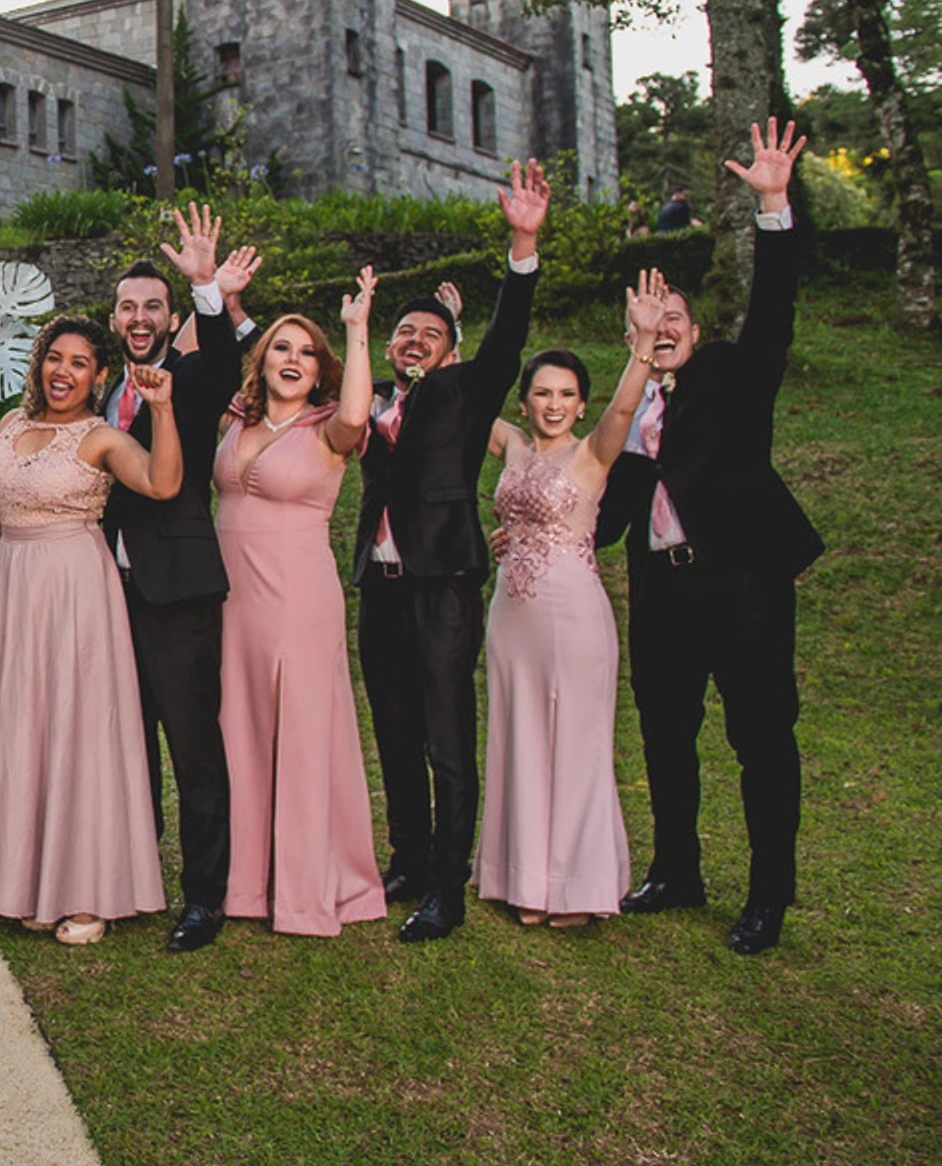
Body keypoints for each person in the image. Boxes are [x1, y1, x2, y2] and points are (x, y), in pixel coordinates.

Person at [602, 120, 822, 956]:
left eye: (675, 320)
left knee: (761, 736)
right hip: (660, 591)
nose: (664, 331)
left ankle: (769, 896)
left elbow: (773, 316)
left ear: (694, 330)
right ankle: (678, 868)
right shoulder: (629, 412)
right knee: (664, 732)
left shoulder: (732, 374)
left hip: (741, 586)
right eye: (649, 323)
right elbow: (610, 515)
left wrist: (772, 205)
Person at [353, 161, 549, 943]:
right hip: (380, 584)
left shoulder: (468, 393)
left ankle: (447, 881)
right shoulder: (368, 401)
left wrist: (522, 248)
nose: (416, 341)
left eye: (431, 334)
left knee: (444, 732)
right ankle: (403, 856)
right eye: (406, 331)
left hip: (443, 584)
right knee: (393, 729)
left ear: (449, 349)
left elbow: (508, 339)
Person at [0, 316, 181, 944]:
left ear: (101, 375)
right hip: (16, 588)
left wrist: (163, 410)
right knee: (23, 726)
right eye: (54, 358)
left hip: (76, 590)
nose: (63, 372)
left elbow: (163, 483)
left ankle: (86, 890)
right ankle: (24, 882)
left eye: (79, 363)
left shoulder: (102, 439)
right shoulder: (11, 425)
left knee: (77, 727)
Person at [474, 286, 664, 929]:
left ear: (580, 403)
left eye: (565, 394)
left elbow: (626, 406)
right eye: (541, 393)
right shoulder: (511, 446)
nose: (553, 405)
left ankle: (577, 886)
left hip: (574, 616)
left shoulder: (593, 452)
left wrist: (642, 343)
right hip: (511, 616)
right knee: (519, 738)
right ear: (523, 401)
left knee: (577, 744)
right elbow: (466, 395)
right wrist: (442, 329)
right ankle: (523, 878)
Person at [99, 204, 261, 953]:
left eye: (153, 307)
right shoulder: (98, 392)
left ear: (170, 318)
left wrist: (206, 288)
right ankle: (132, 878)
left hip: (179, 592)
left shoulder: (195, 378)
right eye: (129, 307)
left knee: (195, 747)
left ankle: (204, 896)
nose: (140, 317)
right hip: (107, 597)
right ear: (113, 319)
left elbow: (229, 362)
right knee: (125, 744)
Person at [215, 278, 385, 937]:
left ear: (322, 371)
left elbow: (356, 412)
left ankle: (309, 888)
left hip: (297, 599)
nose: (293, 358)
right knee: (241, 734)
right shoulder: (238, 419)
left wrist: (356, 328)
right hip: (234, 602)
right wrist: (224, 303)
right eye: (281, 347)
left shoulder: (330, 429)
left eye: (307, 352)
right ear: (262, 361)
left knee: (304, 734)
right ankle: (245, 885)